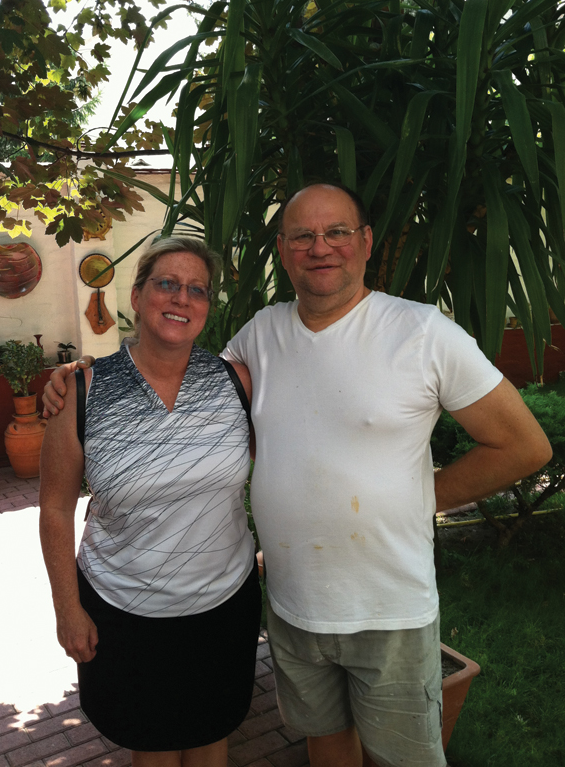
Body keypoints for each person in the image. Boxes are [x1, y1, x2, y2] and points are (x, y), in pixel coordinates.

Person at [44, 184, 552, 767]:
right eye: (303, 236)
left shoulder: (423, 333)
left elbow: (523, 445)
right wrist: (87, 373)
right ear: (283, 251)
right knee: (325, 747)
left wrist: (423, 498)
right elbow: (178, 362)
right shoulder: (261, 336)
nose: (321, 247)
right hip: (291, 607)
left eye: (336, 232)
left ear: (364, 243)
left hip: (386, 609)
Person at [39, 237, 262, 767]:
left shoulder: (236, 381)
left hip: (223, 606)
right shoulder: (82, 391)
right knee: (154, 747)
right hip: (124, 611)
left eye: (196, 289)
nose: (181, 298)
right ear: (137, 296)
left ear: (208, 307)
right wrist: (67, 609)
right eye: (166, 284)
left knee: (212, 735)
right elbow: (53, 508)